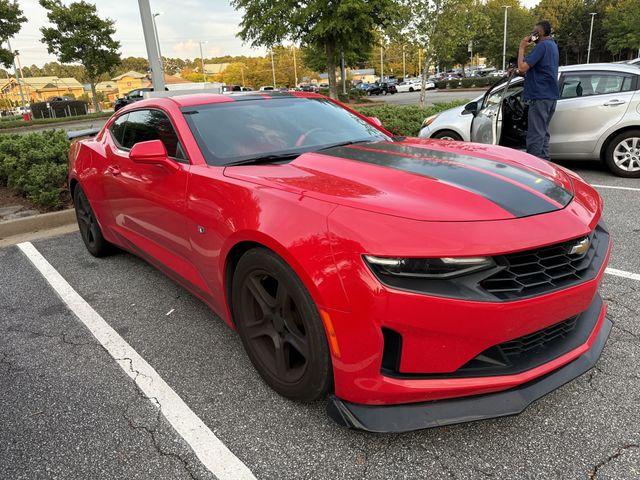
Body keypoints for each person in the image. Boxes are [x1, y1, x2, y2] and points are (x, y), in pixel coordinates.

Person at [516, 20, 559, 161]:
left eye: (534, 32)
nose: (531, 35)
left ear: (538, 33)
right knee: (543, 133)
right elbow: (534, 68)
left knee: (535, 134)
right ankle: (545, 164)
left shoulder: (541, 46)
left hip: (539, 96)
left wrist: (522, 48)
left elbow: (523, 67)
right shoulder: (552, 45)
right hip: (550, 96)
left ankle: (533, 168)